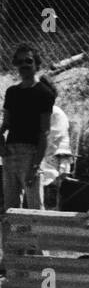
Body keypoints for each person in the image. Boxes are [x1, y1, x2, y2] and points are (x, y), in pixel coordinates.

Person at [1, 43, 56, 212]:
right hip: (11, 153)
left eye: (28, 61)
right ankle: (14, 239)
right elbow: (6, 124)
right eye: (19, 62)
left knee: (35, 208)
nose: (24, 65)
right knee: (10, 208)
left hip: (31, 153)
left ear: (36, 64)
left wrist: (35, 165)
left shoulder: (44, 93)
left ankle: (39, 239)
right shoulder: (12, 92)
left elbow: (44, 132)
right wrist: (1, 146)